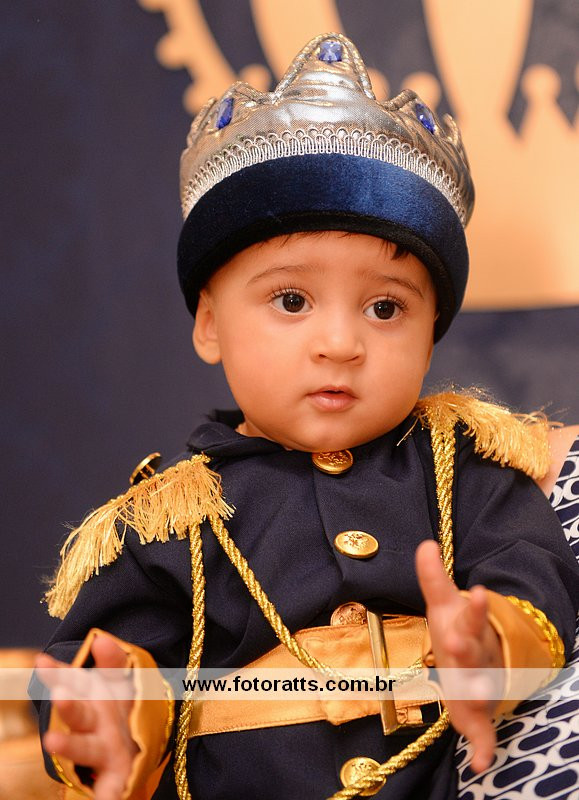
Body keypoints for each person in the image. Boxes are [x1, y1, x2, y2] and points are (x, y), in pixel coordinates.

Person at [33, 33, 578, 800]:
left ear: (430, 338)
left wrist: (489, 643)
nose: (339, 344)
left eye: (385, 308)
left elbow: (536, 578)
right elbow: (107, 661)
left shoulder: (463, 469)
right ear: (210, 324)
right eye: (291, 300)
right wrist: (108, 724)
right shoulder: (168, 520)